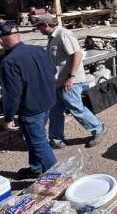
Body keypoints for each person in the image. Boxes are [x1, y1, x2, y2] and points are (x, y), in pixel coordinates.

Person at [0, 22, 58, 179]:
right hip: (47, 102)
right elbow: (53, 70)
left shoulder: (9, 62)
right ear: (18, 35)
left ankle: (59, 179)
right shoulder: (37, 49)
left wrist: (8, 117)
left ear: (1, 40)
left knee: (39, 143)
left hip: (30, 109)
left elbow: (12, 93)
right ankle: (36, 168)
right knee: (33, 138)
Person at [35, 15, 106, 149]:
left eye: (39, 27)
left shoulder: (64, 34)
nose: (38, 30)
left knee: (76, 108)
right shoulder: (52, 37)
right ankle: (56, 139)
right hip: (58, 81)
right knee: (55, 111)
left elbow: (77, 54)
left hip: (69, 80)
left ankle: (98, 129)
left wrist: (71, 77)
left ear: (45, 25)